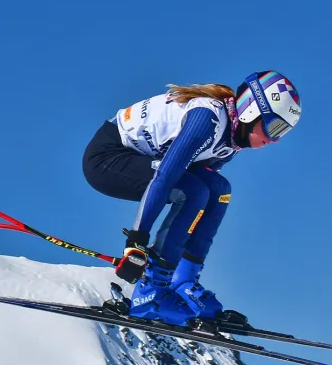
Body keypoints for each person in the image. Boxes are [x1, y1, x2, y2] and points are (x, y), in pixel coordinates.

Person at [82, 71, 301, 326]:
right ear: (251, 110)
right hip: (107, 159)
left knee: (219, 190)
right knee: (192, 192)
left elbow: (203, 192)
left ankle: (182, 281)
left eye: (284, 132)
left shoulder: (229, 141)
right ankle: (151, 291)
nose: (275, 140)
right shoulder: (205, 121)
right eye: (275, 126)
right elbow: (164, 178)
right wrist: (137, 240)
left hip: (140, 161)